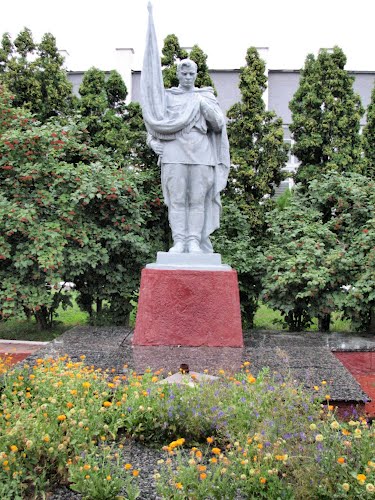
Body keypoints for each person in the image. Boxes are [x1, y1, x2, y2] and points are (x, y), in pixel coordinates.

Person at [144, 59, 230, 254]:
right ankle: (179, 241)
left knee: (198, 200)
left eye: (192, 74)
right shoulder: (168, 97)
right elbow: (155, 124)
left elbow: (218, 124)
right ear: (177, 74)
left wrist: (202, 105)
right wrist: (152, 143)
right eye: (184, 74)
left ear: (196, 75)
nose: (188, 77)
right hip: (173, 151)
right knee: (177, 199)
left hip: (201, 151)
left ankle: (194, 241)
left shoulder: (205, 96)